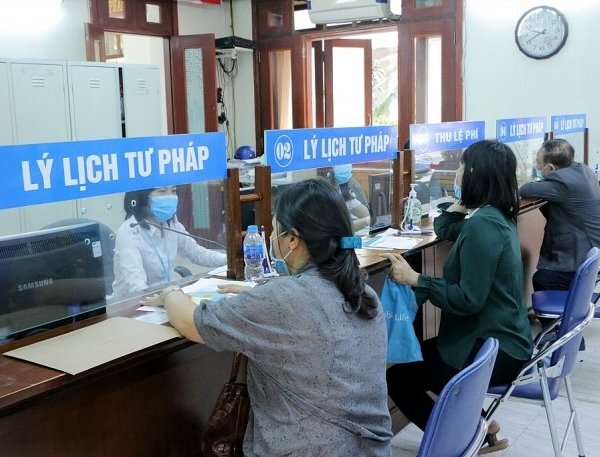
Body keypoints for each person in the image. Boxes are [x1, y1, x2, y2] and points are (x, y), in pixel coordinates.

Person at [150, 178, 392, 456]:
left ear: (292, 239)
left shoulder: (287, 298)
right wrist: (264, 294)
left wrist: (170, 292)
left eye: (275, 231)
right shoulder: (362, 294)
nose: (273, 240)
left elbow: (190, 322)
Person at [382, 140, 533, 454]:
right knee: (421, 362)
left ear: (476, 173)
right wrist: (462, 203)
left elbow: (468, 299)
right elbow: (445, 226)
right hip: (501, 339)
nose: (458, 172)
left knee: (400, 378)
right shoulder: (494, 217)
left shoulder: (483, 227)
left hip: (493, 347)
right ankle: (480, 426)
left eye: (463, 167)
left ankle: (459, 442)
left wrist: (415, 278)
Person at [111, 186, 226, 297]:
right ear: (142, 197)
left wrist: (229, 259)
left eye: (174, 190)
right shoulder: (128, 232)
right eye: (162, 191)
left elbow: (196, 253)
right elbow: (137, 287)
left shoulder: (172, 224)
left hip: (166, 296)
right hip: (132, 305)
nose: (170, 196)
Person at [519, 138, 600, 291]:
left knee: (542, 279)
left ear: (550, 168)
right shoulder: (583, 170)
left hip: (581, 255)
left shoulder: (564, 183)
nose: (536, 166)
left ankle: (562, 313)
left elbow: (525, 190)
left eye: (538, 162)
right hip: (592, 249)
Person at [330, 164, 371, 233]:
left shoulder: (346, 190)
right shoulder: (327, 195)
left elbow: (367, 214)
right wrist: (366, 221)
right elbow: (339, 228)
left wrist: (369, 219)